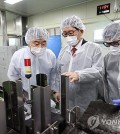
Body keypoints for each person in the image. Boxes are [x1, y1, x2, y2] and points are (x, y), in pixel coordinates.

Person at [55, 15, 103, 113]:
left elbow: (99, 70)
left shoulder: (94, 48)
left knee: (84, 123)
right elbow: (58, 72)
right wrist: (58, 90)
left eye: (71, 33)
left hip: (85, 97)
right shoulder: (63, 51)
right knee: (68, 122)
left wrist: (78, 74)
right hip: (67, 97)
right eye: (65, 34)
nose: (68, 37)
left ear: (81, 31)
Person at [8, 27, 57, 95]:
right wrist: (19, 92)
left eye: (43, 43)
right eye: (36, 43)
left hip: (45, 93)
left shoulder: (50, 55)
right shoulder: (18, 55)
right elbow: (12, 75)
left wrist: (52, 88)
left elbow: (53, 74)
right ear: (28, 42)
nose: (40, 47)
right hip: (26, 93)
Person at [103, 22, 120, 103]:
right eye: (109, 44)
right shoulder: (108, 58)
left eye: (115, 43)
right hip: (114, 102)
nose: (112, 47)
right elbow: (105, 83)